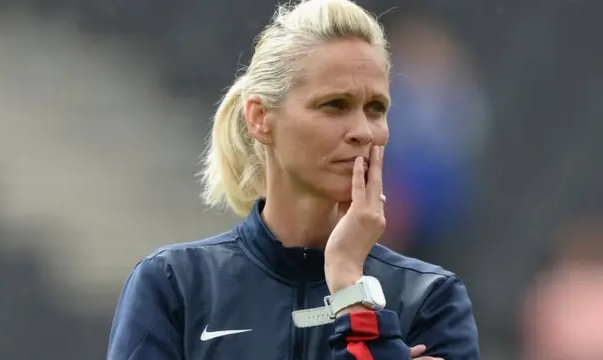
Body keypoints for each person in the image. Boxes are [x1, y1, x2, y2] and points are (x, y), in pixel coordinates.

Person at [106, 0, 479, 359]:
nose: (363, 131)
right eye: (335, 105)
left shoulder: (430, 299)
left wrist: (351, 286)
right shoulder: (175, 286)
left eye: (375, 108)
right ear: (260, 118)